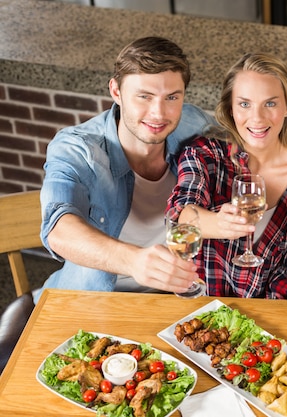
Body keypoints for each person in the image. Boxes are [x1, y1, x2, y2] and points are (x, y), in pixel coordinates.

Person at [37, 36, 215, 302]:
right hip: (93, 301)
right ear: (116, 91)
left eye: (172, 97)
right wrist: (134, 261)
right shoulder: (77, 148)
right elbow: (59, 230)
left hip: (177, 299)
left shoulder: (195, 125)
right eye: (144, 96)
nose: (159, 113)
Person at [167, 52, 287, 299]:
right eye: (245, 104)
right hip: (203, 313)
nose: (257, 117)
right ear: (231, 109)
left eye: (270, 103)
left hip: (275, 320)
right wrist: (218, 224)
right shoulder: (205, 154)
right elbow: (180, 214)